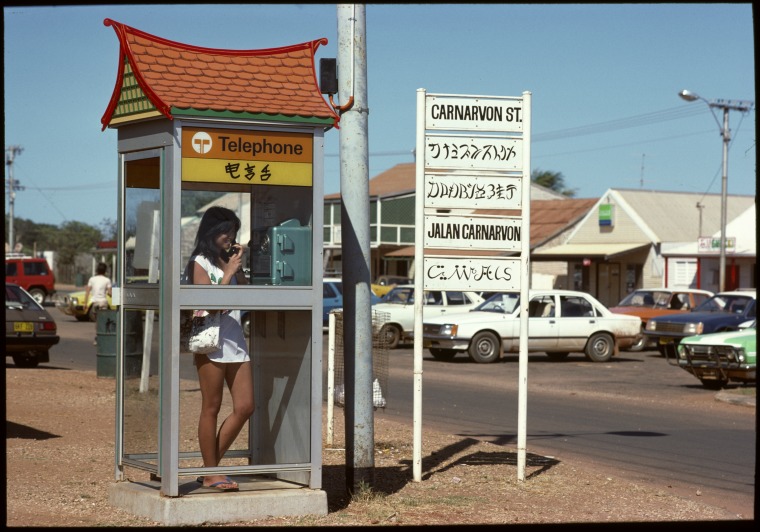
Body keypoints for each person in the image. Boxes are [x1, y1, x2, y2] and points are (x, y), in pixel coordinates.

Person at [187, 206, 254, 492]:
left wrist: (240, 266)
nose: (230, 237)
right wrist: (227, 273)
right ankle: (213, 473)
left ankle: (209, 469)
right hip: (211, 341)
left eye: (234, 232)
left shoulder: (229, 261)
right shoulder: (199, 262)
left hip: (235, 338)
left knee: (245, 406)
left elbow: (247, 295)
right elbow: (209, 304)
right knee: (211, 407)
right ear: (212, 232)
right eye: (226, 231)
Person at [85, 262, 112, 345]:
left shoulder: (92, 279)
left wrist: (85, 304)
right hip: (103, 302)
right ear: (105, 271)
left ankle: (97, 338)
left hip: (95, 303)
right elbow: (110, 293)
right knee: (104, 321)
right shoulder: (107, 280)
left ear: (97, 270)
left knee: (97, 321)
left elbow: (87, 291)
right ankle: (104, 337)